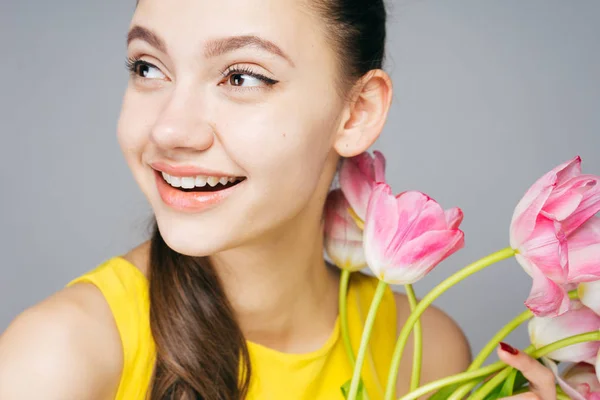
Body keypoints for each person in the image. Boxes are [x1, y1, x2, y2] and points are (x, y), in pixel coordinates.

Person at [0, 0, 559, 399]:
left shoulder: (424, 351)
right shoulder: (58, 358)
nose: (170, 130)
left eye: (242, 77)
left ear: (356, 112)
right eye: (149, 67)